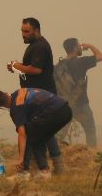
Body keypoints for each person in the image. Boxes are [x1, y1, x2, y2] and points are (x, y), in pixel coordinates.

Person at [6, 17, 65, 174]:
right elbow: (30, 69)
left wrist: (17, 65)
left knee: (44, 131)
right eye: (22, 31)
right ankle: (38, 166)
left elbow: (36, 69)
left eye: (26, 31)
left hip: (42, 98)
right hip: (35, 97)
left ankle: (56, 166)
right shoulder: (34, 46)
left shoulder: (40, 46)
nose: (23, 34)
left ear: (36, 31)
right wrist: (17, 68)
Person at [0, 88, 72, 180]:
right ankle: (57, 169)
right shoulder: (19, 92)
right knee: (41, 133)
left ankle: (28, 172)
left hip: (54, 112)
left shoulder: (16, 108)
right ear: (6, 93)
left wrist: (21, 158)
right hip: (66, 110)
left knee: (30, 133)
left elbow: (22, 134)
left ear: (1, 107)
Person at [55, 38, 102, 147]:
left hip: (65, 105)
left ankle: (52, 151)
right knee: (90, 129)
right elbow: (100, 56)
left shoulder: (59, 66)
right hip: (80, 104)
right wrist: (90, 46)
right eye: (79, 46)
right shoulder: (80, 62)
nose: (81, 47)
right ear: (74, 48)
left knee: (60, 134)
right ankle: (91, 153)